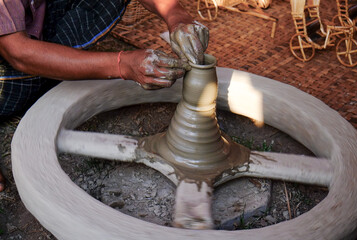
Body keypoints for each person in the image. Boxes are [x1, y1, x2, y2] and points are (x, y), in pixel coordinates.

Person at [0, 0, 210, 192]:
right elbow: (18, 53)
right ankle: (52, 65)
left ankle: (57, 61)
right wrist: (123, 65)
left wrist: (177, 16)